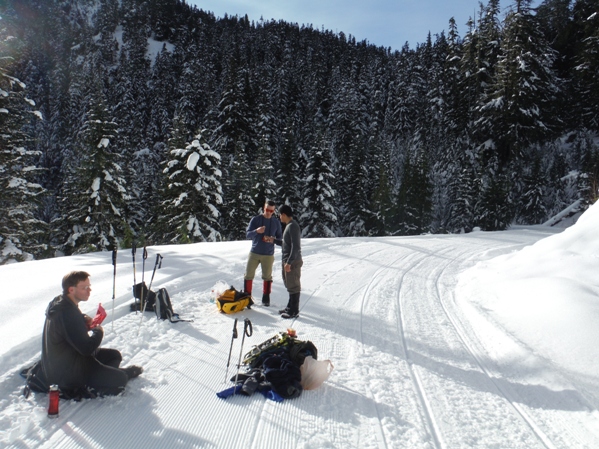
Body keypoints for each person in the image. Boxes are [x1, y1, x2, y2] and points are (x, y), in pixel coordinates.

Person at [37, 271, 142, 397]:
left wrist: (84, 318)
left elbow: (73, 322)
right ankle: (89, 385)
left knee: (114, 356)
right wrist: (98, 332)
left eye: (89, 286)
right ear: (71, 289)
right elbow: (86, 349)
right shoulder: (67, 313)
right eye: (84, 287)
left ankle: (103, 375)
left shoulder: (59, 301)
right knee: (120, 379)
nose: (89, 290)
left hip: (68, 359)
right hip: (68, 373)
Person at [244, 200, 283, 306]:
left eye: (271, 211)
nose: (269, 212)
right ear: (263, 208)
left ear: (274, 211)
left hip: (268, 254)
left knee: (267, 277)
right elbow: (247, 235)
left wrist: (272, 239)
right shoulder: (256, 220)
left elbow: (280, 239)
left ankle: (266, 299)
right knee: (248, 275)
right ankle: (247, 298)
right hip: (254, 253)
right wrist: (256, 231)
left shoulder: (276, 222)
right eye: (267, 210)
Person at [272, 204, 303, 319]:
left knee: (294, 285)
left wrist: (289, 262)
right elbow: (287, 244)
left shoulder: (293, 226)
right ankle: (289, 307)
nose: (279, 217)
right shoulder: (289, 226)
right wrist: (274, 241)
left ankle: (294, 310)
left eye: (280, 215)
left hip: (293, 262)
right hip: (288, 260)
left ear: (284, 215)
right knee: (289, 284)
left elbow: (296, 247)